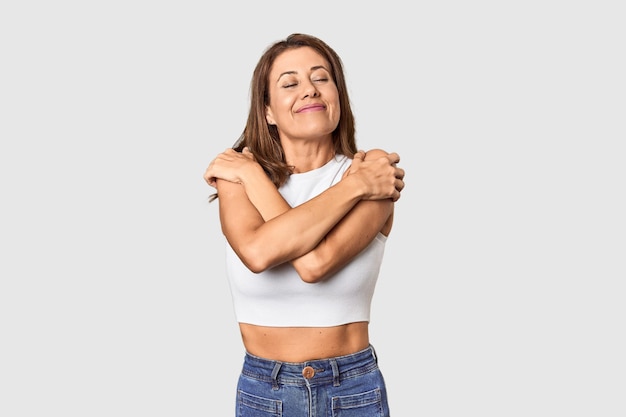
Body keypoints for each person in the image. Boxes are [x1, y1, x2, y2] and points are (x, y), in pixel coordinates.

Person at [203, 33, 405, 417]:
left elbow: (314, 265)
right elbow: (259, 252)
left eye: (321, 78)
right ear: (267, 112)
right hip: (266, 391)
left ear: (338, 97)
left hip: (352, 389)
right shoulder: (237, 178)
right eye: (290, 83)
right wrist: (354, 188)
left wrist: (358, 181)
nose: (309, 90)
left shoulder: (372, 169)